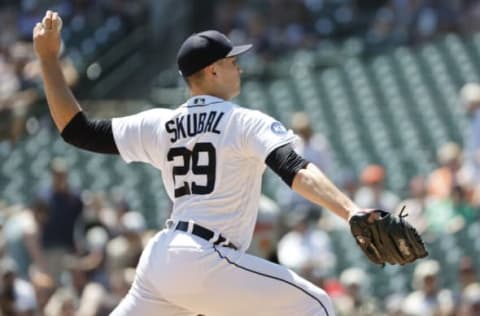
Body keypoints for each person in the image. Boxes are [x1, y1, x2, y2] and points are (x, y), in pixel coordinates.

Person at [33, 10, 369, 316]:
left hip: (163, 259)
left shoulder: (160, 123)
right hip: (206, 257)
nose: (238, 66)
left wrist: (48, 59)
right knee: (318, 305)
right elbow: (294, 168)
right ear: (212, 70)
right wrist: (351, 211)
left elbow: (77, 131)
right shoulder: (244, 121)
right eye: (231, 60)